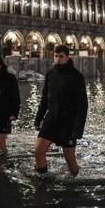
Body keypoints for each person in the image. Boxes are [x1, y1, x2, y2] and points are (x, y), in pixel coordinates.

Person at [33, 45, 88, 177]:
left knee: (69, 157)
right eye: (56, 56)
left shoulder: (77, 76)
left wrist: (78, 130)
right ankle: (43, 178)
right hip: (51, 119)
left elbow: (83, 106)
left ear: (67, 57)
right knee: (38, 150)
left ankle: (74, 179)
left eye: (61, 56)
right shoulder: (50, 74)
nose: (58, 59)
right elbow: (44, 99)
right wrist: (38, 119)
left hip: (68, 122)